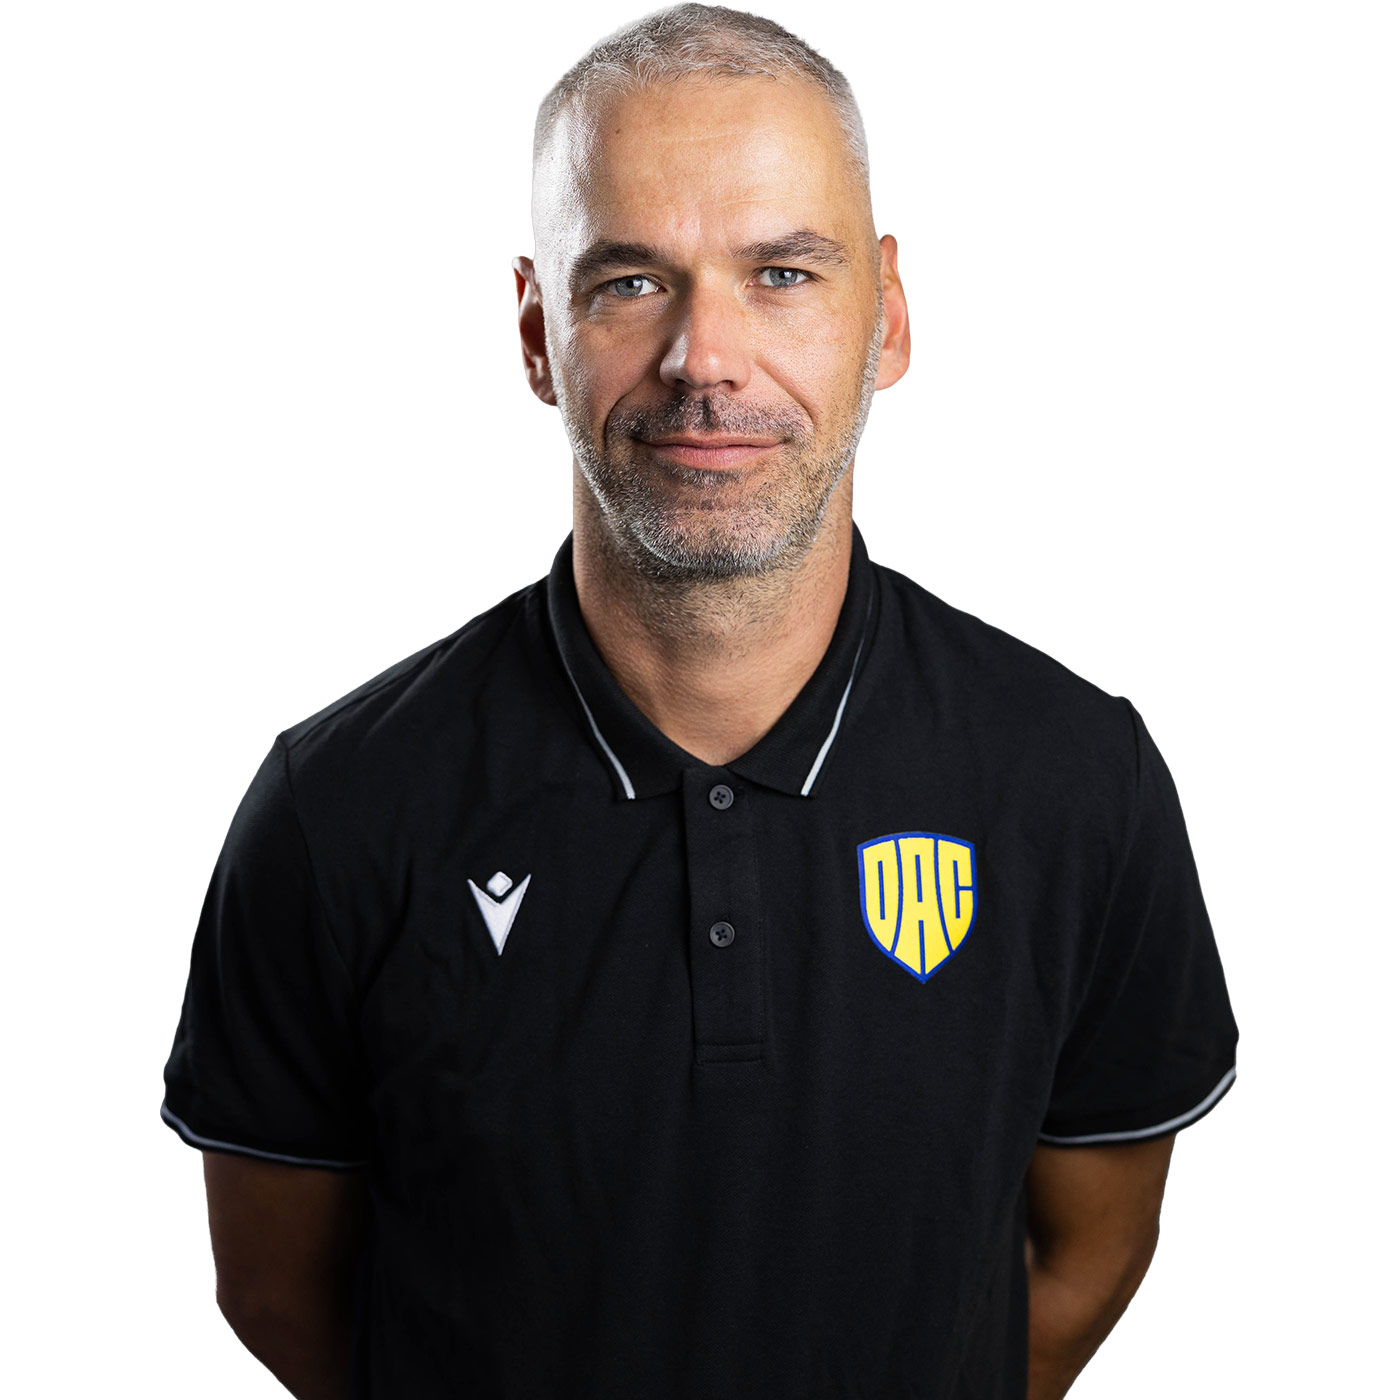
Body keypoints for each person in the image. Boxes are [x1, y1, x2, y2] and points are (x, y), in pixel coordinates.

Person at [159, 5, 1239, 1398]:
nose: (703, 358)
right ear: (538, 334)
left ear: (887, 317)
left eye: (782, 273)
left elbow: (1088, 1255)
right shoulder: (341, 808)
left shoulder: (1078, 780)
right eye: (629, 283)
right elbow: (280, 1292)